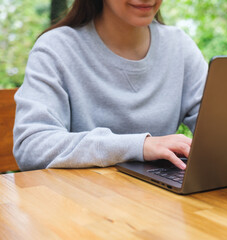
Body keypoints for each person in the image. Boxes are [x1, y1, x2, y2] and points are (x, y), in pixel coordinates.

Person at [13, 0, 208, 171]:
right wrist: (139, 146)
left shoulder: (179, 46)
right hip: (81, 205)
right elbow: (31, 146)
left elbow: (222, 129)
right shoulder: (55, 49)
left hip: (160, 202)